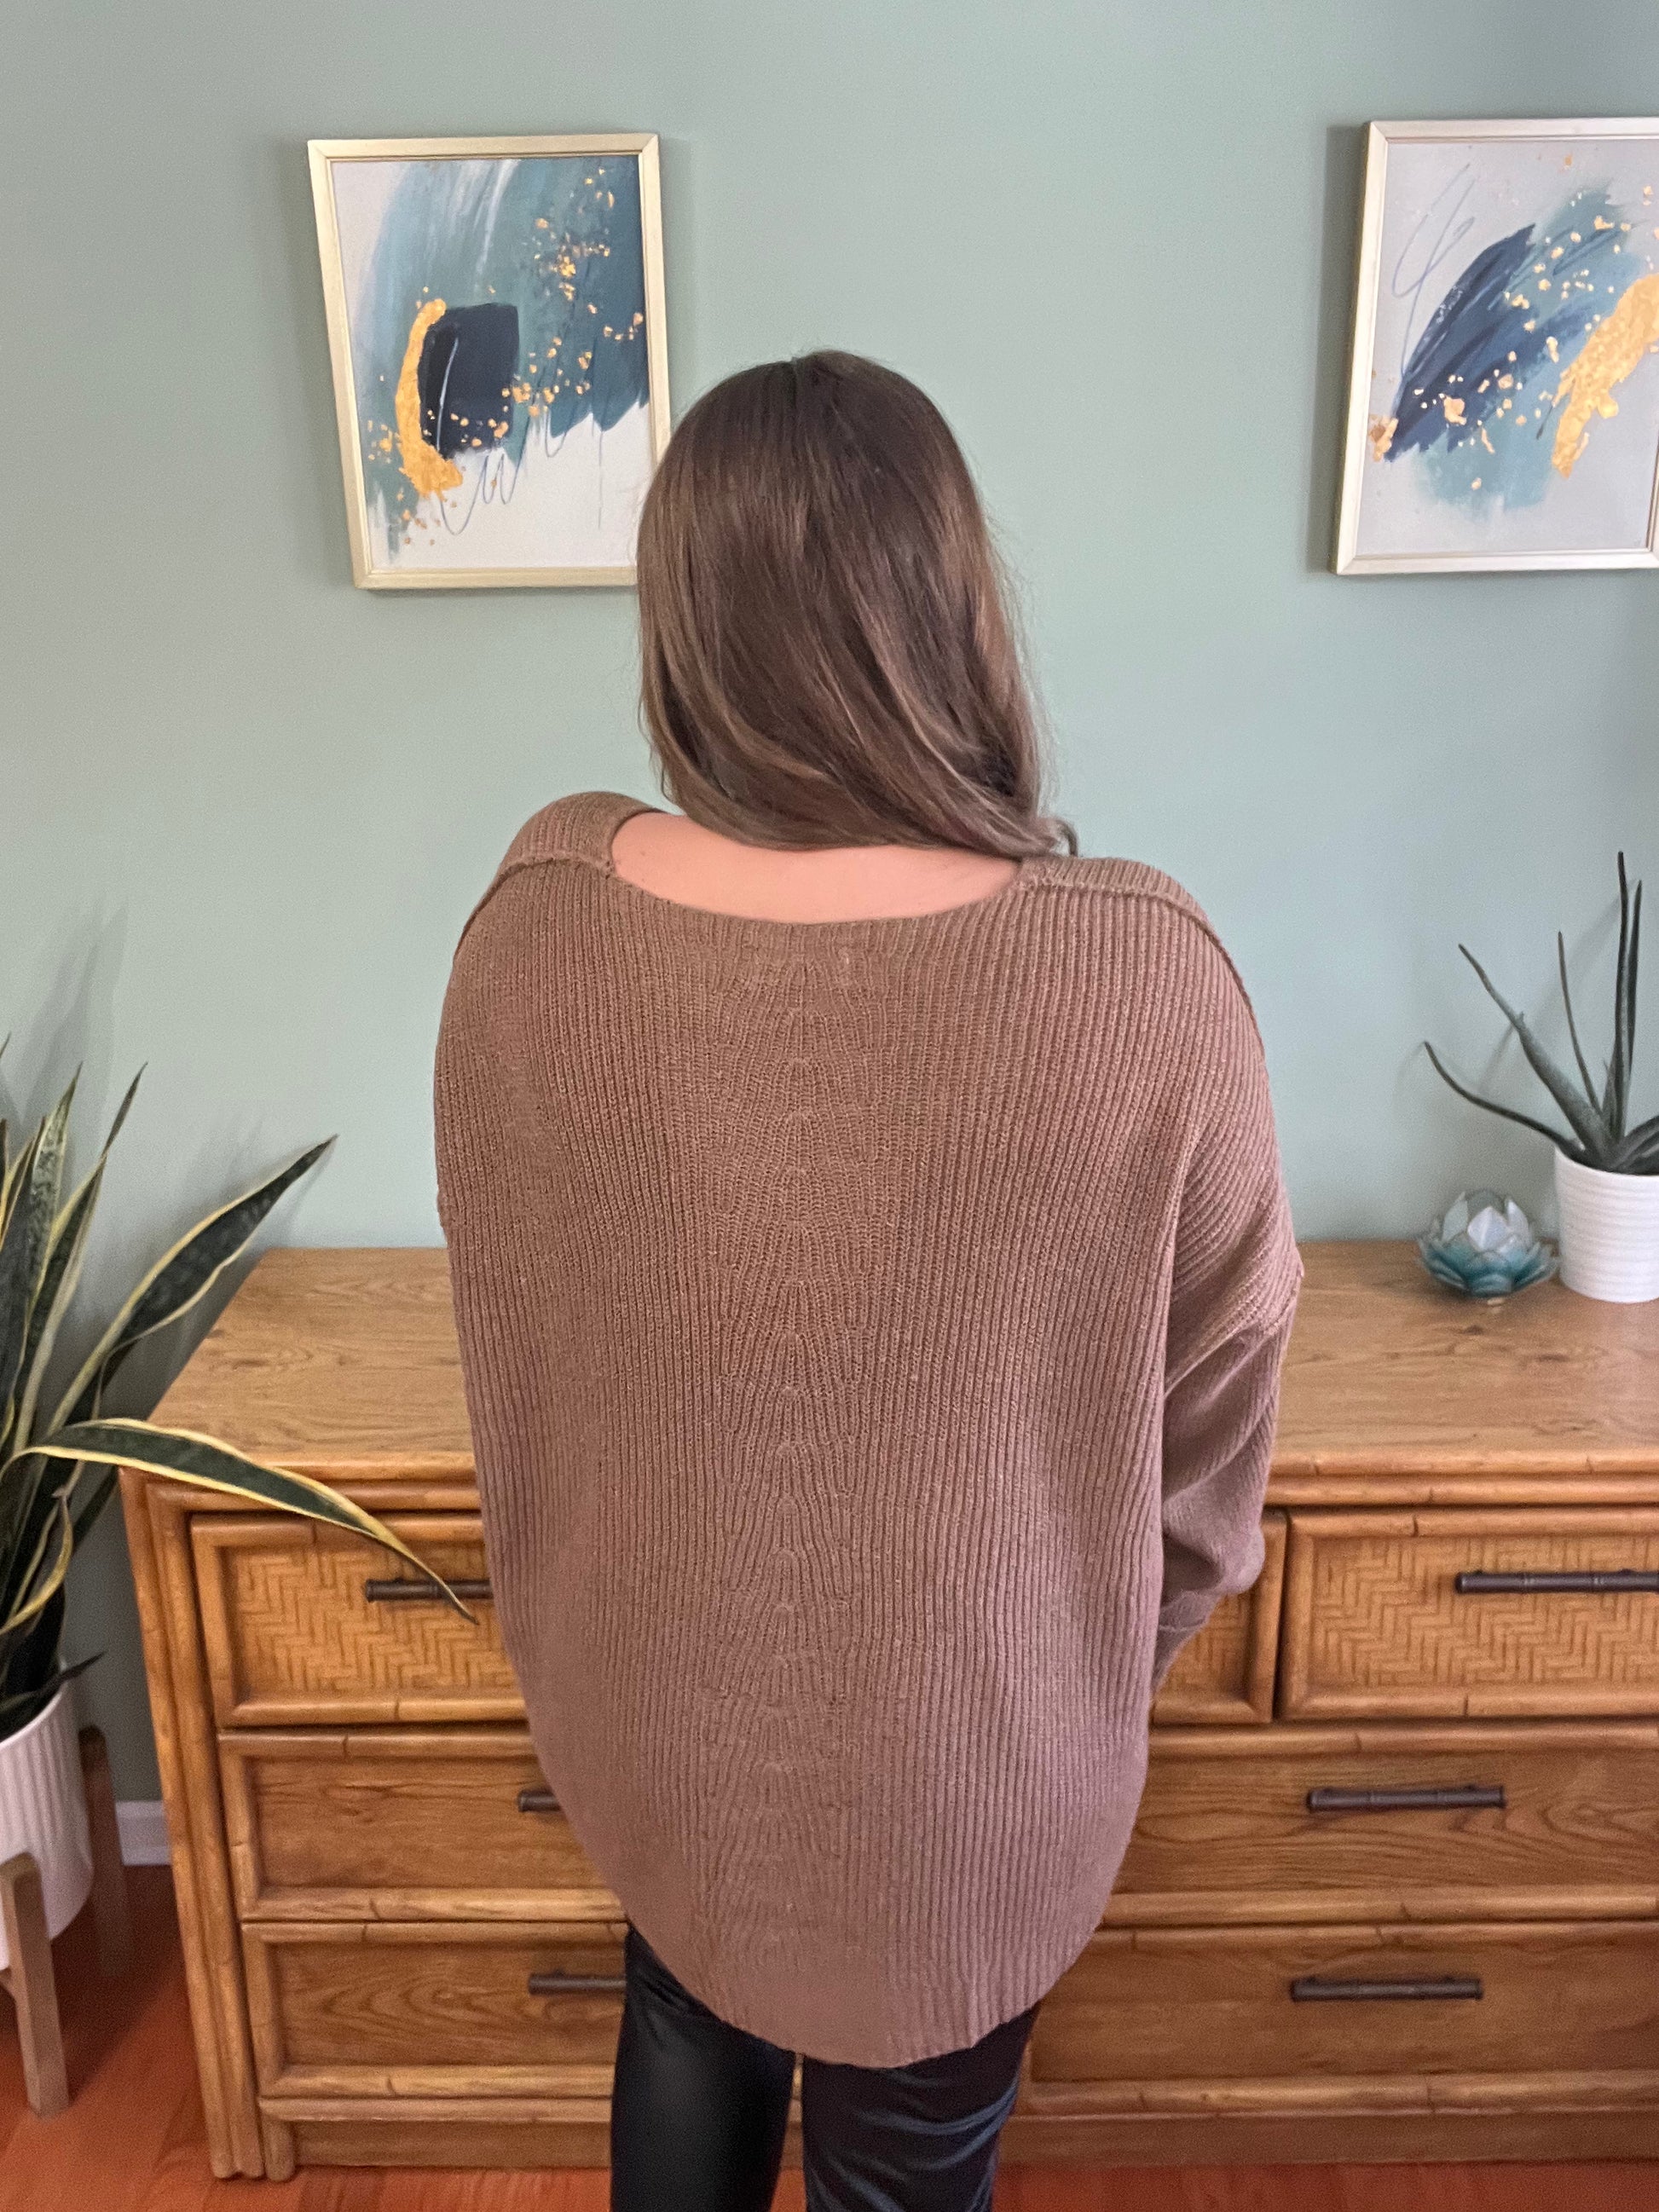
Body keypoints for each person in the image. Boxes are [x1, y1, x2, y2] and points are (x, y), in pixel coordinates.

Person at [434, 350, 1300, 2212]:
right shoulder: (1144, 978)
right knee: (900, 2156)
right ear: (956, 606)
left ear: (681, 627)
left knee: (684, 2012)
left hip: (656, 1710)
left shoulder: (532, 929)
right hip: (978, 1762)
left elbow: (519, 1355)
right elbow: (1213, 1453)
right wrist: (1066, 1661)